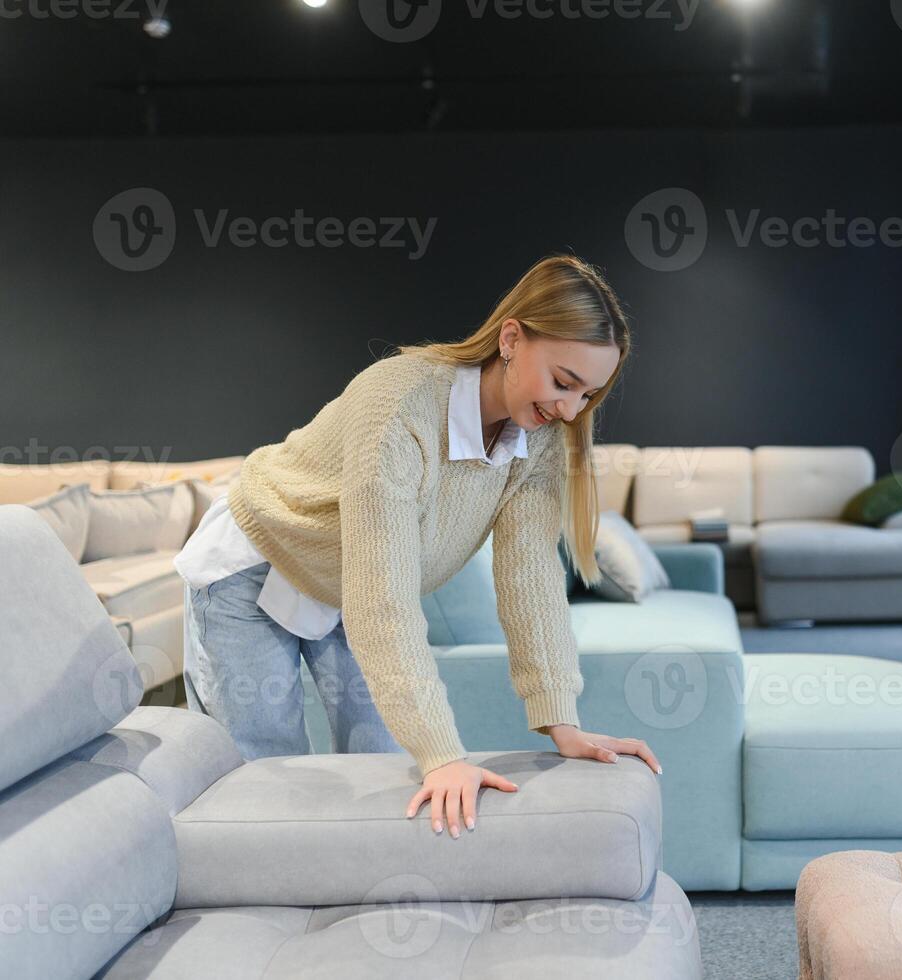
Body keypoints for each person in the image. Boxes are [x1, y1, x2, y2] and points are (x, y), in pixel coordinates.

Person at [175, 253, 660, 841]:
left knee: (381, 769)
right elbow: (384, 600)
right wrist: (442, 752)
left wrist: (563, 722)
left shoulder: (542, 442)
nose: (569, 409)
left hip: (345, 583)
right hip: (257, 562)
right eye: (563, 381)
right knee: (268, 779)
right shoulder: (399, 403)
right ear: (511, 339)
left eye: (588, 395)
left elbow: (530, 584)